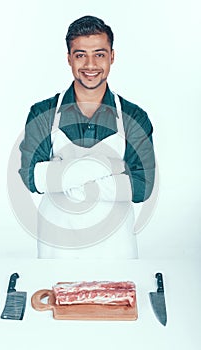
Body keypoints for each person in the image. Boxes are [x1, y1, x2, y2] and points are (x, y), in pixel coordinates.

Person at [19, 15, 155, 259]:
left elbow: (142, 187)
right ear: (69, 58)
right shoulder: (43, 113)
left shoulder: (134, 117)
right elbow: (32, 178)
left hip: (116, 251)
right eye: (81, 54)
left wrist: (62, 176)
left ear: (112, 56)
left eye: (100, 54)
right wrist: (111, 168)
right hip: (56, 249)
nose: (90, 64)